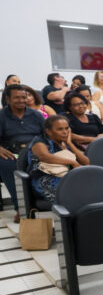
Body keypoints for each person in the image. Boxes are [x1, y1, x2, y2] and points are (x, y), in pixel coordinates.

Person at [0, 84, 46, 222]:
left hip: (35, 150)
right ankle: (21, 208)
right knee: (7, 165)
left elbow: (47, 135)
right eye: (17, 98)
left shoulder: (36, 115)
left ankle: (45, 204)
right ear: (8, 99)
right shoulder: (2, 116)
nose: (21, 100)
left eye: (23, 97)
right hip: (11, 153)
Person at [28, 115, 89, 201]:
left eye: (66, 128)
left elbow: (86, 162)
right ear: (48, 131)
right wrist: (72, 162)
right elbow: (45, 157)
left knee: (94, 190)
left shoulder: (64, 142)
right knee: (75, 198)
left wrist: (70, 144)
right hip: (46, 181)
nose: (65, 132)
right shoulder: (40, 142)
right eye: (60, 129)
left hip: (68, 178)